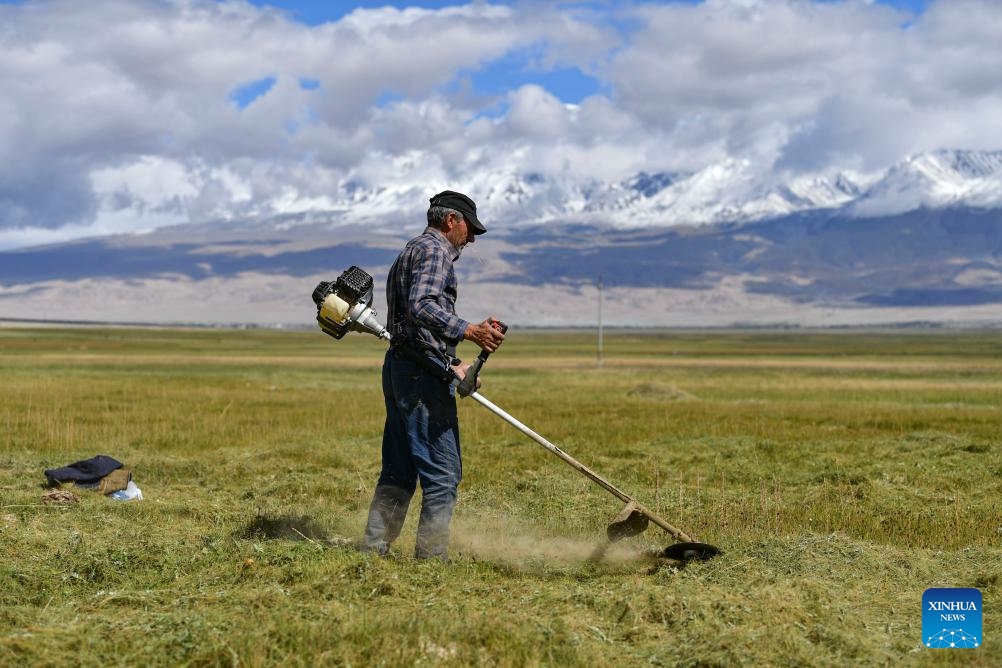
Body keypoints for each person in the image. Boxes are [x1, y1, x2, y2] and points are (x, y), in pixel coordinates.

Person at [362, 190, 506, 560]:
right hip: (420, 378)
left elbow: (413, 323)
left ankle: (374, 549)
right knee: (442, 473)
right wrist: (469, 331)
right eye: (470, 228)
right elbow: (422, 305)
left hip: (403, 368)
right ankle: (430, 560)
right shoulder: (435, 251)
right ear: (451, 221)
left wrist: (456, 364)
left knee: (399, 467)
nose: (471, 238)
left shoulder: (411, 249)